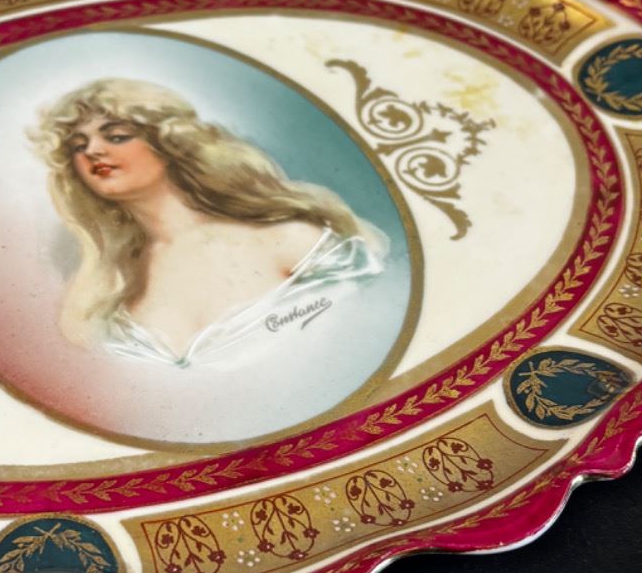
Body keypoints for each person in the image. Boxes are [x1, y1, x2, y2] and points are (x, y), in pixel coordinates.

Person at [29, 78, 387, 369]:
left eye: (117, 136)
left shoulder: (289, 239)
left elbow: (361, 339)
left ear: (168, 143)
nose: (92, 151)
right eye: (78, 146)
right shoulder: (100, 291)